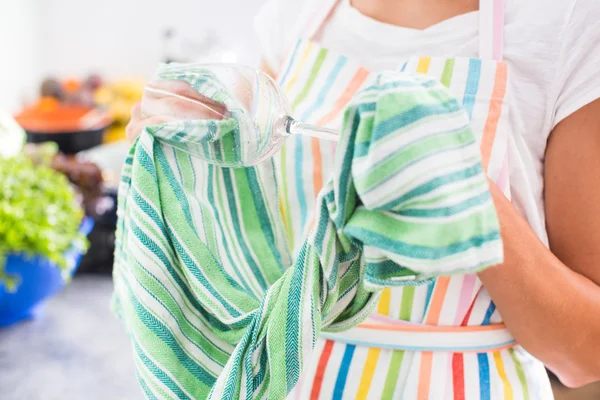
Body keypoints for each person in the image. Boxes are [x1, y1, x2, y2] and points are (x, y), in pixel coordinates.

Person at [126, 0, 600, 398]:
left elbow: (586, 354)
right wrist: (181, 162)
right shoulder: (297, 14)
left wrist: (470, 199)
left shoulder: (567, 26)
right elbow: (258, 256)